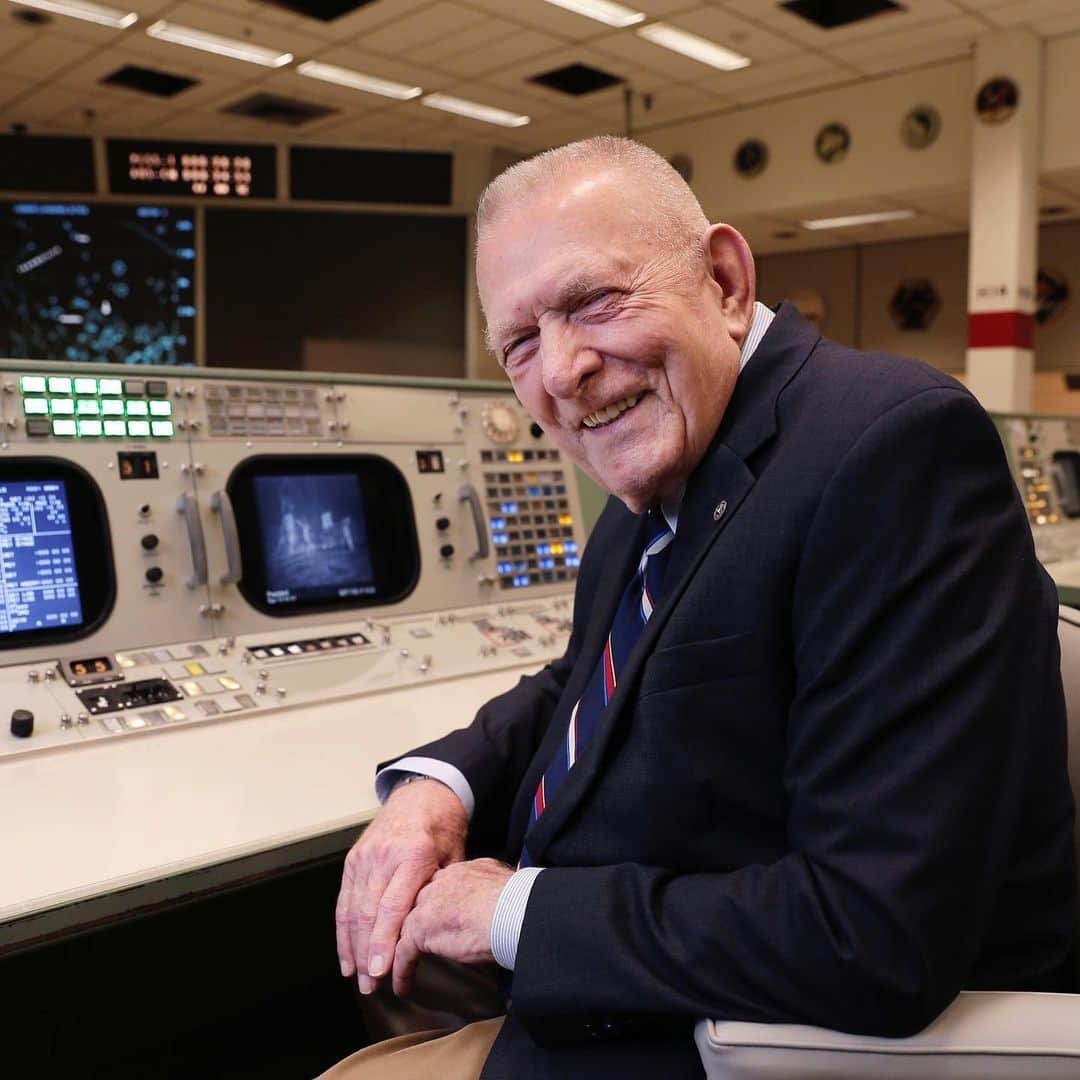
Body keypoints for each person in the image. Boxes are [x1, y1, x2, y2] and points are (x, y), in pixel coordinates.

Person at [323, 137, 1076, 1078]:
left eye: (594, 301)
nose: (561, 372)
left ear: (723, 280)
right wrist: (437, 787)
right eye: (519, 342)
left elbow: (876, 935)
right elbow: (584, 681)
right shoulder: (663, 471)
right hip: (621, 991)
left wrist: (514, 913)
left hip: (733, 1045)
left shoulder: (889, 446)